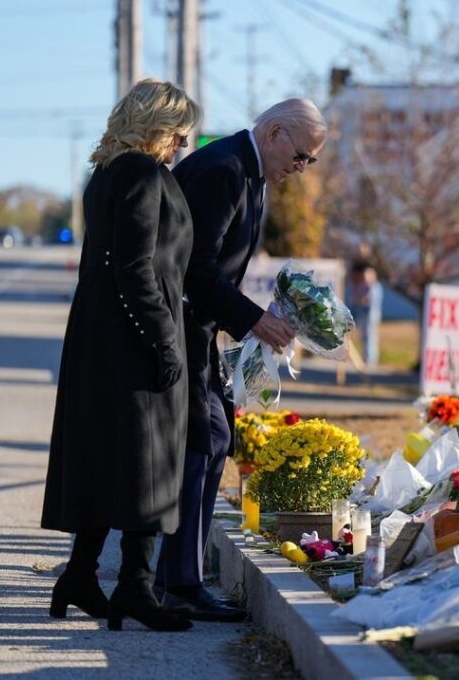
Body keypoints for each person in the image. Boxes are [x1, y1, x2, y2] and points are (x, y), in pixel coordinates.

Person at [154, 98, 327, 622]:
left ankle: (179, 577)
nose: (300, 170)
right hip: (178, 323)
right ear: (275, 132)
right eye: (300, 157)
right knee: (205, 441)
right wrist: (253, 320)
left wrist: (268, 311)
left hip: (200, 325)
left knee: (215, 437)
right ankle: (179, 582)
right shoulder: (226, 170)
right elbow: (195, 268)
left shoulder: (247, 170)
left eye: (309, 162)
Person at [41, 79, 200, 632]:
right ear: (156, 124)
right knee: (149, 461)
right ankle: (135, 589)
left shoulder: (107, 173)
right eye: (179, 130)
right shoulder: (140, 173)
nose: (183, 141)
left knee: (115, 461)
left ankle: (81, 576)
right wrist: (162, 339)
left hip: (101, 337)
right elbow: (134, 267)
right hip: (132, 338)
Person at [348, 246, 382, 367]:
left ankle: (370, 359)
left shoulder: (371, 262)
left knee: (369, 330)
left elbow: (370, 277)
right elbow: (353, 278)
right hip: (360, 293)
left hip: (369, 295)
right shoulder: (356, 263)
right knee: (360, 329)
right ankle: (363, 356)